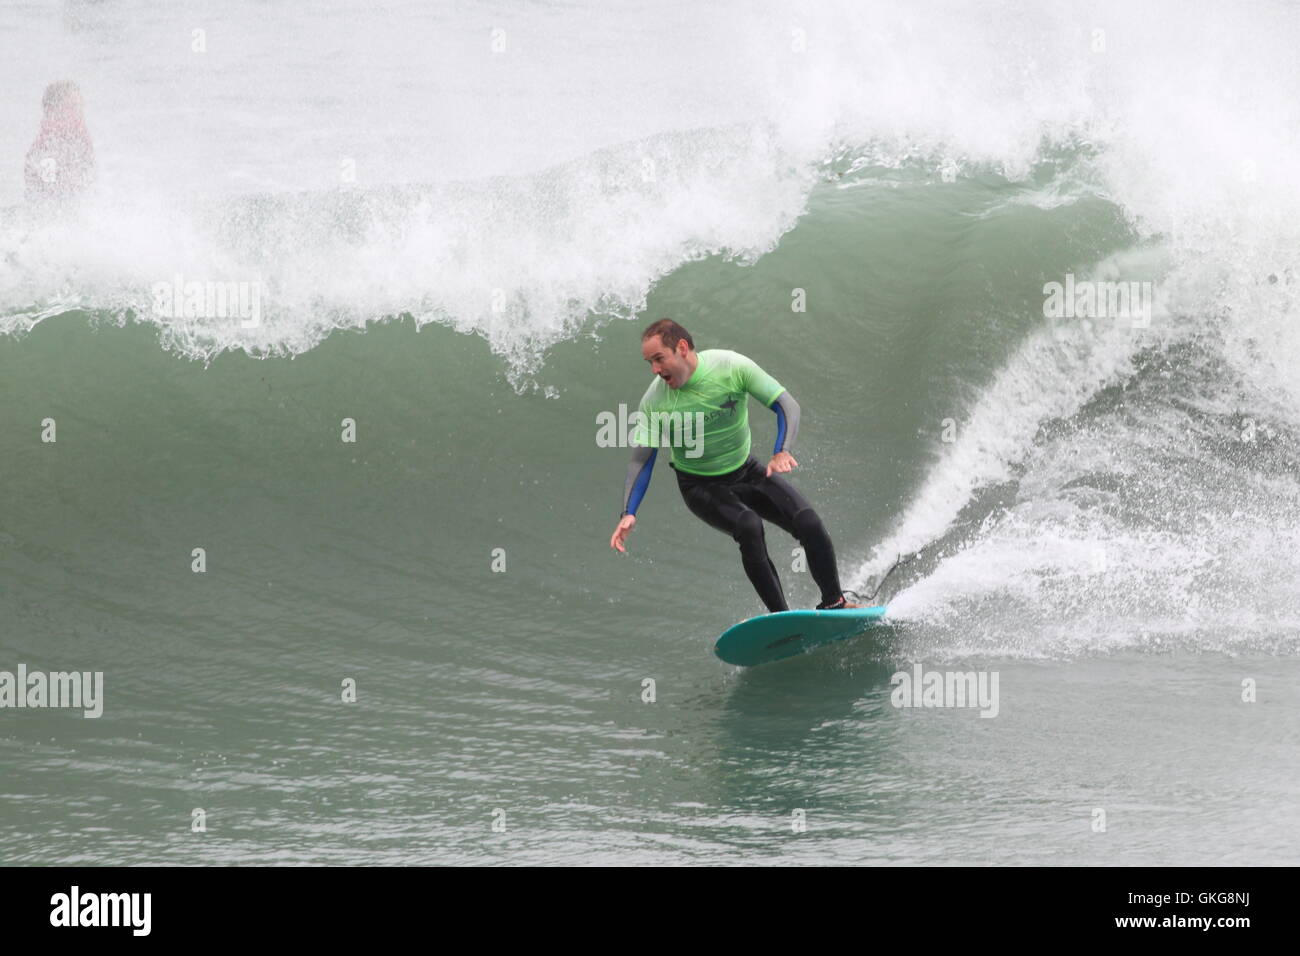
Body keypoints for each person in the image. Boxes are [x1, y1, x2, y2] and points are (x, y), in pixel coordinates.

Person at [609, 318, 860, 613]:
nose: (654, 369)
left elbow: (786, 405)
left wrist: (782, 451)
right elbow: (642, 458)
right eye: (649, 362)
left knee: (809, 523)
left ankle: (835, 603)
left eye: (658, 359)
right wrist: (629, 511)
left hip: (747, 471)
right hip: (700, 485)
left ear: (682, 348)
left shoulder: (730, 366)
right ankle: (782, 619)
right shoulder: (655, 401)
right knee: (748, 526)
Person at [24, 81, 96, 206]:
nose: (79, 111)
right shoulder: (47, 142)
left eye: (80, 105)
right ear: (53, 110)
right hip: (51, 206)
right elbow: (47, 190)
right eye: (72, 106)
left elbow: (90, 173)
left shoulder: (78, 134)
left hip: (75, 202)